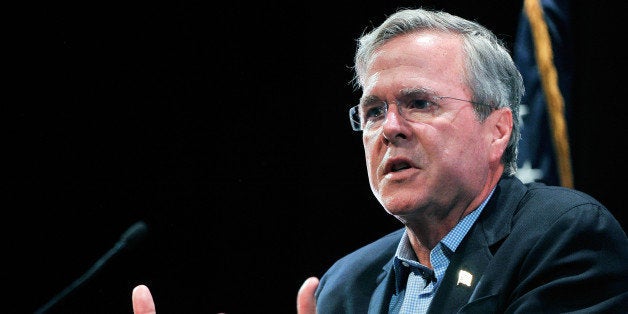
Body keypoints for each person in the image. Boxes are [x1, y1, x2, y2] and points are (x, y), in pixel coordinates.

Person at [132, 7, 628, 313]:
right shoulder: (343, 286)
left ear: (497, 129)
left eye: (419, 103)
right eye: (372, 111)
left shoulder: (565, 237)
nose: (389, 129)